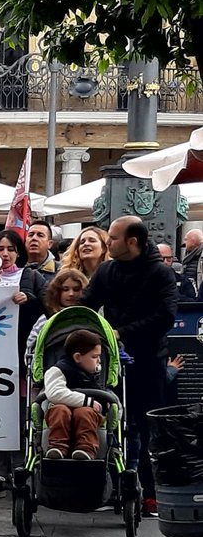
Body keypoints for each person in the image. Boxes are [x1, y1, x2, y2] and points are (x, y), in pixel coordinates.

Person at [81, 216, 178, 517]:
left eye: (112, 238)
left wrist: (123, 332)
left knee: (150, 428)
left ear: (131, 242)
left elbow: (165, 317)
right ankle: (110, 487)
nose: (108, 243)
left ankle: (151, 494)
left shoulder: (161, 273)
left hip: (149, 360)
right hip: (111, 359)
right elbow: (87, 303)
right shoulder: (107, 270)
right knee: (112, 421)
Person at [0, 229, 47, 501]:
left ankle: (19, 471)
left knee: (18, 417)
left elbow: (50, 306)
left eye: (10, 249)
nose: (5, 254)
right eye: (0, 248)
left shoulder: (32, 277)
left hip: (19, 360)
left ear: (19, 253)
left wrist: (29, 300)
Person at [43, 329, 107, 461]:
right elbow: (55, 393)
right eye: (94, 357)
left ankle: (86, 448)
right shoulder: (57, 370)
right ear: (78, 357)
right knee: (59, 410)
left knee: (84, 413)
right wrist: (86, 401)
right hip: (64, 410)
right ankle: (57, 446)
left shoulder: (94, 376)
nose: (99, 361)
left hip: (87, 414)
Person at [181, 227, 203, 294]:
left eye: (186, 239)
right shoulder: (188, 255)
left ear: (193, 241)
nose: (184, 243)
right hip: (188, 292)